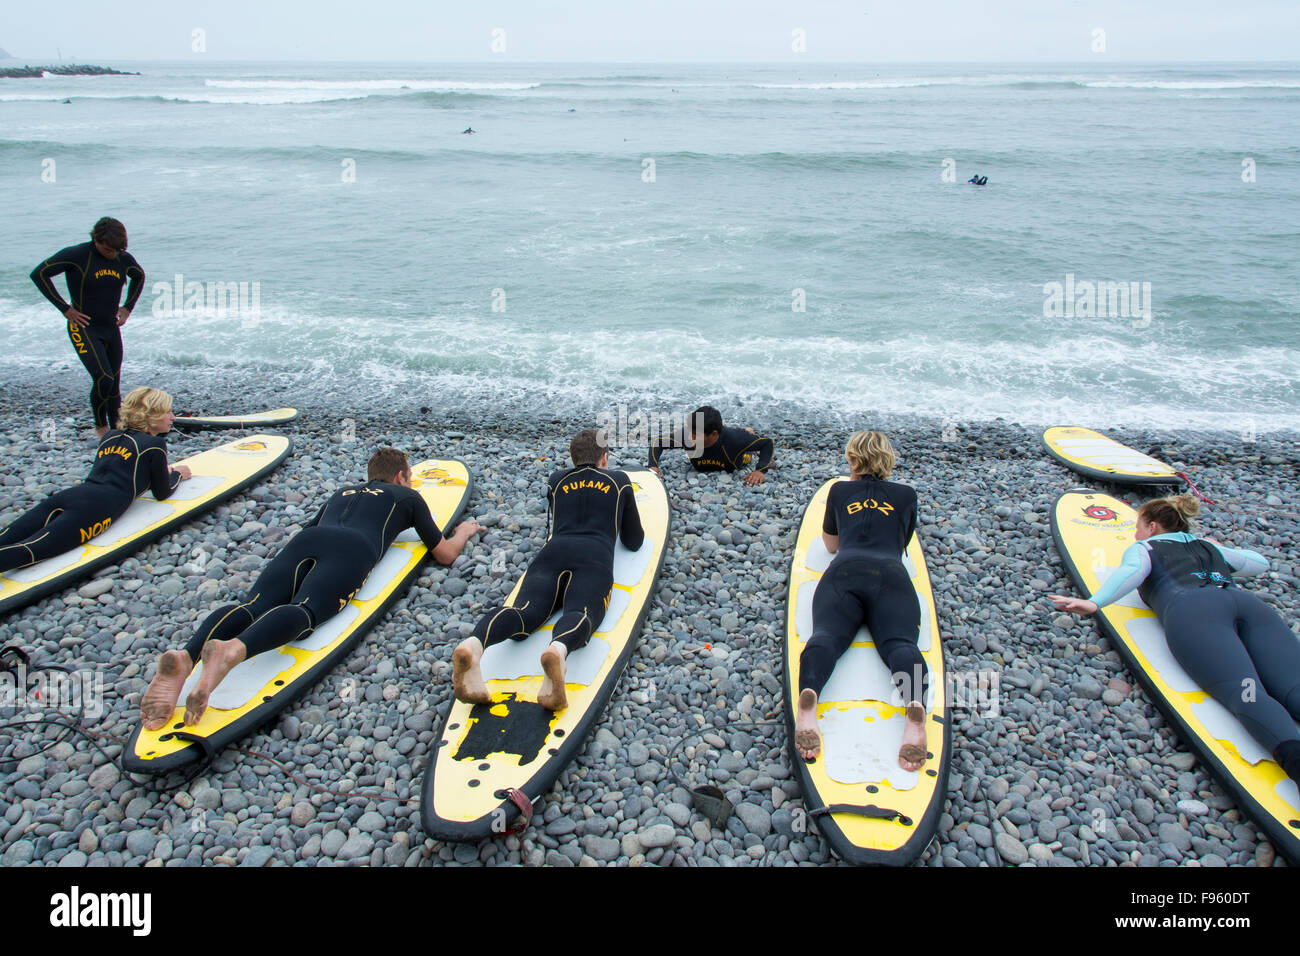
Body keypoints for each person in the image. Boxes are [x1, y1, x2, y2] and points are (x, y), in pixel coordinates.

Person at [140, 448, 482, 729]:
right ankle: (233, 651)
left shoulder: (342, 493)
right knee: (306, 610)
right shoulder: (407, 496)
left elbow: (311, 527)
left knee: (254, 605)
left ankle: (186, 656)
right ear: (401, 477)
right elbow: (445, 554)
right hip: (353, 548)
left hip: (307, 540)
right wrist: (464, 530)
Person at [1049, 495, 1300, 783]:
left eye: (1138, 527)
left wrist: (1095, 602)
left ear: (1152, 527)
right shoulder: (1207, 545)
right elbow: (1260, 563)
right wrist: (1219, 548)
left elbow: (1131, 573)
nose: (1135, 533)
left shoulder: (1144, 547)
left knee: (1247, 691)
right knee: (1294, 687)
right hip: (1249, 607)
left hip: (1196, 613)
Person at [453, 428, 643, 711]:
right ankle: (558, 651)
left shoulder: (557, 481)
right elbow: (634, 540)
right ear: (605, 458)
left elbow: (555, 526)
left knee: (526, 612)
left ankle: (474, 644)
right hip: (593, 556)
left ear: (572, 458)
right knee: (582, 613)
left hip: (551, 555)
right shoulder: (618, 480)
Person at [793, 430, 929, 771]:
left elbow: (830, 545)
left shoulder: (839, 490)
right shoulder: (907, 495)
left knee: (825, 636)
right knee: (900, 643)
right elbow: (902, 544)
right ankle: (913, 705)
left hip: (844, 573)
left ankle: (809, 697)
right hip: (890, 576)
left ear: (853, 459)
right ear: (888, 458)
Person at [0, 387, 190, 574]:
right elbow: (162, 492)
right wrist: (178, 474)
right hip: (96, 508)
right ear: (152, 415)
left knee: (6, 536)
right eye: (168, 412)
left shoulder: (109, 436)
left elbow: (123, 468)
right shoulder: (155, 445)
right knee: (33, 550)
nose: (172, 417)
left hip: (73, 495)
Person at [31, 217, 145, 437]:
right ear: (95, 239)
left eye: (117, 250)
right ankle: (101, 427)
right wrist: (65, 308)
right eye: (107, 249)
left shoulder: (122, 258)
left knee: (114, 383)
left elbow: (139, 276)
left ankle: (118, 430)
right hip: (83, 327)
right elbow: (39, 274)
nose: (112, 253)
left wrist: (127, 307)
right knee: (104, 378)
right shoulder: (76, 255)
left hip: (110, 328)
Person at [648, 405, 773, 486]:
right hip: (719, 436)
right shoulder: (687, 436)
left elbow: (767, 443)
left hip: (739, 457)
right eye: (691, 432)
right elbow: (658, 442)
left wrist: (760, 470)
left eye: (696, 435)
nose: (691, 438)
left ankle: (748, 431)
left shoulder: (735, 439)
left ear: (713, 434)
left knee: (746, 441)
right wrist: (653, 466)